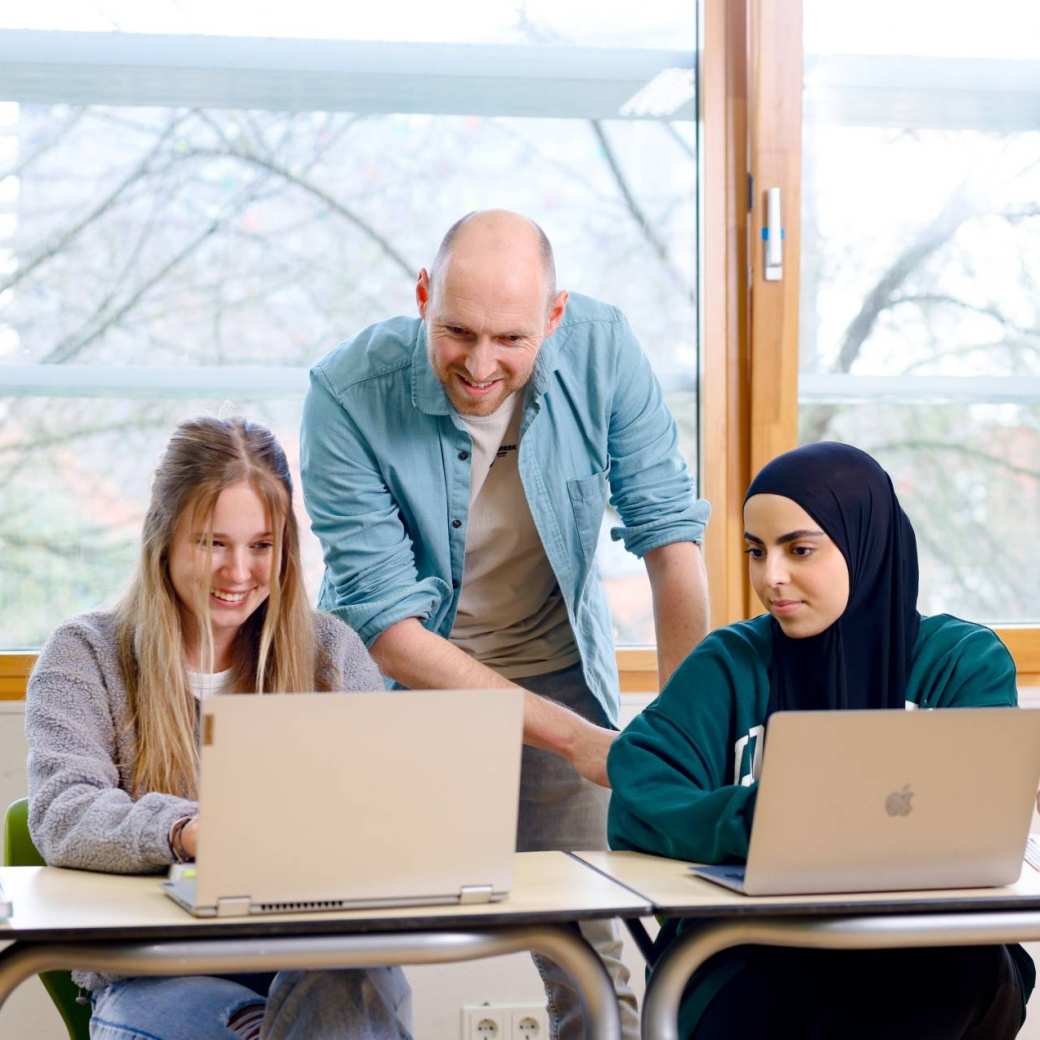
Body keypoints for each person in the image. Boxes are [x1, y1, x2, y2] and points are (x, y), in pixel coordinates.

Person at [300, 209, 711, 1037]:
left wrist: (691, 731)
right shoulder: (345, 394)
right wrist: (576, 738)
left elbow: (669, 537)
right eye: (456, 331)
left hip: (554, 667)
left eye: (510, 340)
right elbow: (387, 627)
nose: (480, 365)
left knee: (588, 943)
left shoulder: (603, 350)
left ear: (553, 318)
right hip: (397, 685)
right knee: (342, 928)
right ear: (422, 295)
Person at [607, 441, 1034, 1039]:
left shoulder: (960, 661)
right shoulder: (729, 663)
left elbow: (979, 818)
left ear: (866, 543)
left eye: (799, 549)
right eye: (756, 552)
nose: (770, 577)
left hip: (931, 945)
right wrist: (765, 822)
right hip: (752, 950)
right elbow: (636, 797)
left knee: (956, 974)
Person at [26, 417, 412, 1040]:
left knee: (350, 986)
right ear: (164, 538)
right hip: (155, 970)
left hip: (314, 957)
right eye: (212, 543)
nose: (239, 572)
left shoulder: (329, 652)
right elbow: (62, 813)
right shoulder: (85, 653)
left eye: (261, 546)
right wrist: (186, 830)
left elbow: (385, 812)